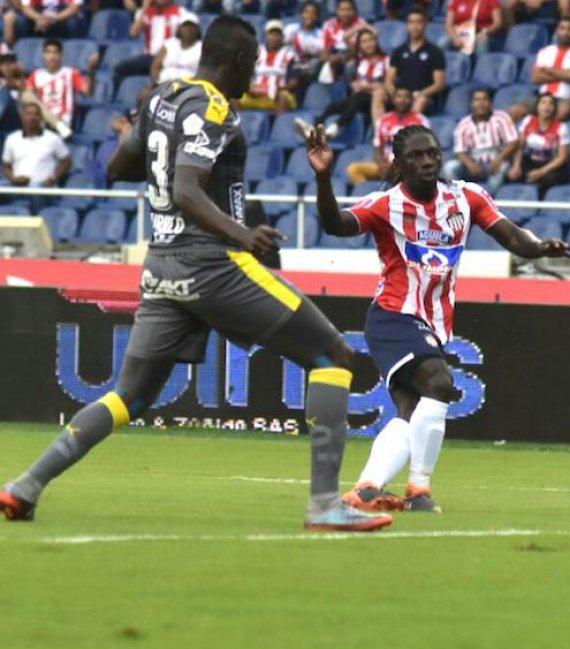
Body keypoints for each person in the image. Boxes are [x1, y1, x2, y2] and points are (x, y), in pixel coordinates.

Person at [0, 16, 391, 531]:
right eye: (254, 64)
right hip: (212, 264)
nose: (255, 74)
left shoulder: (161, 97)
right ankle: (324, 505)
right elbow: (187, 189)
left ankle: (25, 486)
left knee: (129, 397)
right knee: (333, 354)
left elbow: (117, 169)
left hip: (162, 267)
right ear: (239, 61)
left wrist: (156, 147)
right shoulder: (213, 106)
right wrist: (241, 233)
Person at [306, 122, 570, 513]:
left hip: (434, 323)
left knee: (410, 410)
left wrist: (540, 247)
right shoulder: (385, 205)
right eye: (416, 156)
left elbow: (512, 236)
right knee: (440, 381)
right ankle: (419, 490)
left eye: (432, 153)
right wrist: (323, 177)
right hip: (393, 314)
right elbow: (336, 225)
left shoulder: (466, 198)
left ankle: (366, 489)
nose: (427, 161)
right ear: (399, 163)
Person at [300, 27, 386, 138]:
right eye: (364, 42)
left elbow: (387, 86)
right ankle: (314, 131)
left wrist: (366, 86)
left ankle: (336, 127)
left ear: (376, 42)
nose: (368, 44)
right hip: (358, 98)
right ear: (359, 45)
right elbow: (345, 37)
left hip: (375, 101)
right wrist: (362, 26)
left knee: (358, 99)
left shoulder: (385, 60)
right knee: (332, 107)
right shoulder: (359, 59)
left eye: (371, 40)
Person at [345, 85, 429, 185]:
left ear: (412, 100)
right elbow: (378, 148)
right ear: (393, 100)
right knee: (353, 170)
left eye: (406, 97)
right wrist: (381, 165)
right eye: (399, 96)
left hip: (409, 168)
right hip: (385, 166)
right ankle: (368, 192)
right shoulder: (384, 120)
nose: (402, 100)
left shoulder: (421, 121)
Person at [511, 15, 570, 123]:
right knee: (515, 111)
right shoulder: (545, 51)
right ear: (557, 31)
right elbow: (535, 78)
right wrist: (563, 74)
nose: (565, 32)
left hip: (567, 99)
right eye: (562, 28)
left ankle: (543, 133)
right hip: (542, 97)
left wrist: (548, 70)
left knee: (562, 111)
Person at [376, 9, 446, 120]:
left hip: (422, 96)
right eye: (411, 22)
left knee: (421, 100)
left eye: (418, 22)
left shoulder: (436, 52)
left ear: (426, 24)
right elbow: (389, 80)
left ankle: (406, 128)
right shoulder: (398, 51)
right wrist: (394, 93)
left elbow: (439, 84)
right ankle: (379, 128)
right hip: (400, 95)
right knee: (378, 93)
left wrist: (421, 93)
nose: (415, 26)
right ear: (407, 25)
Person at [444, 87, 518, 191]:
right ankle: (458, 196)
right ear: (471, 104)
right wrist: (470, 164)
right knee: (450, 167)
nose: (481, 103)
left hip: (496, 163)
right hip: (473, 167)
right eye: (477, 100)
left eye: (485, 99)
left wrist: (499, 159)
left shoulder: (501, 118)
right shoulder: (463, 124)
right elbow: (459, 152)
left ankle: (490, 197)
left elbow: (513, 142)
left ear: (490, 103)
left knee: (503, 167)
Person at [25, 38, 95, 139]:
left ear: (61, 55)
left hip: (64, 123)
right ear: (43, 55)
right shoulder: (36, 75)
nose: (52, 57)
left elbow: (88, 92)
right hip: (43, 122)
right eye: (48, 52)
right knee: (26, 96)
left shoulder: (71, 73)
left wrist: (92, 73)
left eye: (55, 52)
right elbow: (27, 97)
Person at [507, 91, 570, 195]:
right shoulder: (528, 121)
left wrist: (541, 172)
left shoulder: (561, 127)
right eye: (543, 103)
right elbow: (520, 146)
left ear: (554, 108)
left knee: (550, 178)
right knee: (511, 173)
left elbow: (562, 157)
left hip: (550, 165)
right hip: (531, 161)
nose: (547, 107)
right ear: (537, 106)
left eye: (551, 104)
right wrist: (516, 166)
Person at [116, 0, 198, 78]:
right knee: (120, 69)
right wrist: (145, 8)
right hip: (149, 57)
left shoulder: (180, 12)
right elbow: (133, 33)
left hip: (170, 57)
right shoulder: (147, 12)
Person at [2, 100, 70, 192]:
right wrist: (13, 179)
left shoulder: (53, 138)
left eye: (36, 114)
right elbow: (6, 166)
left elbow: (66, 162)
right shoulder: (12, 138)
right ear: (22, 117)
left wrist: (53, 178)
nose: (32, 117)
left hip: (43, 188)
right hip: (17, 188)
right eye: (28, 114)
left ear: (41, 118)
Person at [241, 19, 297, 113]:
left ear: (282, 37)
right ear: (266, 36)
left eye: (277, 34)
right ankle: (239, 121)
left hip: (277, 95)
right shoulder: (256, 52)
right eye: (271, 34)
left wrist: (278, 89)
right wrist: (249, 89)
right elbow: (244, 75)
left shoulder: (289, 54)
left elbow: (294, 82)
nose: (274, 37)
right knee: (234, 97)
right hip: (256, 94)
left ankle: (279, 121)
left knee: (283, 97)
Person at [317, 0, 368, 85]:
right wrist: (328, 58)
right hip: (334, 55)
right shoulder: (329, 24)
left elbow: (359, 51)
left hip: (353, 57)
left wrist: (341, 58)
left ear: (354, 11)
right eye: (342, 10)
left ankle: (350, 90)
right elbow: (325, 49)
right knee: (316, 64)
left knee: (350, 67)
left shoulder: (361, 24)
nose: (345, 13)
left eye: (349, 9)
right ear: (337, 11)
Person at [284, 0, 324, 92]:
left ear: (317, 17)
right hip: (289, 67)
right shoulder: (290, 29)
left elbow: (322, 55)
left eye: (313, 13)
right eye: (306, 12)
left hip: (309, 70)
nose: (309, 15)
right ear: (301, 14)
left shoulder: (321, 35)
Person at [150, 15, 201, 85]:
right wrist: (157, 82)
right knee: (145, 91)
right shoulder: (169, 44)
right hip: (164, 84)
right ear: (179, 28)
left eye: (192, 27)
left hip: (188, 86)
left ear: (197, 30)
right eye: (185, 26)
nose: (188, 29)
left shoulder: (202, 47)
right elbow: (155, 66)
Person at [12, 0, 87, 41]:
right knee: (22, 21)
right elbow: (25, 8)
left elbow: (75, 8)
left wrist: (54, 18)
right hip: (39, 18)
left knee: (73, 23)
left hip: (62, 17)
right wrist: (39, 18)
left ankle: (71, 48)